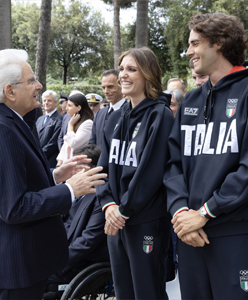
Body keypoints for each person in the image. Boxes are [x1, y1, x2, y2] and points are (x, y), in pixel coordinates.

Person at [0, 49, 107, 300]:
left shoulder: (0, 117)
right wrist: (70, 189)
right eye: (31, 80)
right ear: (9, 91)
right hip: (16, 265)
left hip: (17, 260)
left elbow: (12, 178)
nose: (39, 85)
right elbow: (14, 207)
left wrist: (55, 175)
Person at [164, 13, 248, 299]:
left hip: (234, 235)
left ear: (220, 44)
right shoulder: (191, 100)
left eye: (195, 43)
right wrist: (181, 213)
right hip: (190, 236)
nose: (188, 51)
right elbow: (173, 163)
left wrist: (204, 213)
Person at [97, 47, 174, 300]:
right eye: (121, 69)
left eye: (132, 69)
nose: (123, 75)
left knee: (147, 292)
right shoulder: (114, 118)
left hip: (144, 221)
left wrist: (123, 210)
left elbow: (150, 172)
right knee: (123, 292)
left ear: (148, 74)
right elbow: (103, 168)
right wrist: (108, 204)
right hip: (115, 220)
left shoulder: (160, 115)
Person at [43, 144, 109, 299]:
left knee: (42, 280)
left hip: (79, 262)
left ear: (96, 169)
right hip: (62, 250)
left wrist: (60, 264)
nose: (75, 172)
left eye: (81, 167)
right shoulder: (73, 191)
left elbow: (88, 241)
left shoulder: (101, 197)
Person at [88, 69, 125, 146]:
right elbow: (92, 143)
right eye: (103, 87)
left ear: (121, 85)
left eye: (110, 87)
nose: (106, 91)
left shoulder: (130, 111)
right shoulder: (100, 113)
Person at [57, 93, 93, 166]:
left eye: (70, 105)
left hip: (78, 166)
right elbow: (65, 145)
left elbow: (73, 143)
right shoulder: (74, 122)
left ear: (78, 108)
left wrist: (70, 125)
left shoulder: (88, 123)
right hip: (67, 164)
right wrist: (59, 164)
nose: (66, 108)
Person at [36, 90, 63, 168]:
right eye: (44, 100)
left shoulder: (60, 119)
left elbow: (54, 142)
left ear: (55, 102)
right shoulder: (40, 119)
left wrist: (40, 154)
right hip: (38, 158)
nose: (46, 103)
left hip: (50, 161)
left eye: (49, 100)